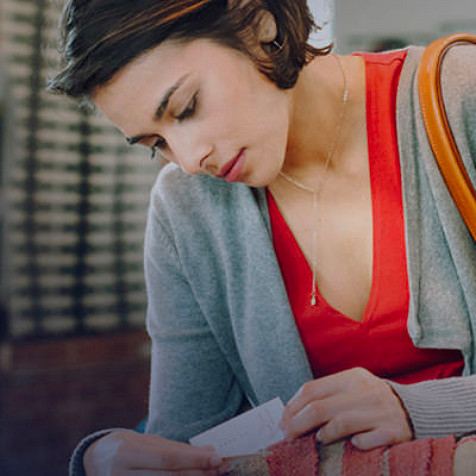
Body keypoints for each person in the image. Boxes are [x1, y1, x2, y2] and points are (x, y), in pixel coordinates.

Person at [48, 0, 476, 474]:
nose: (190, 159)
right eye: (157, 146)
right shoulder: (186, 207)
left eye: (186, 108)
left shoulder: (461, 96)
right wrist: (98, 458)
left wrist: (420, 409)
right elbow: (189, 437)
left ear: (256, 23)